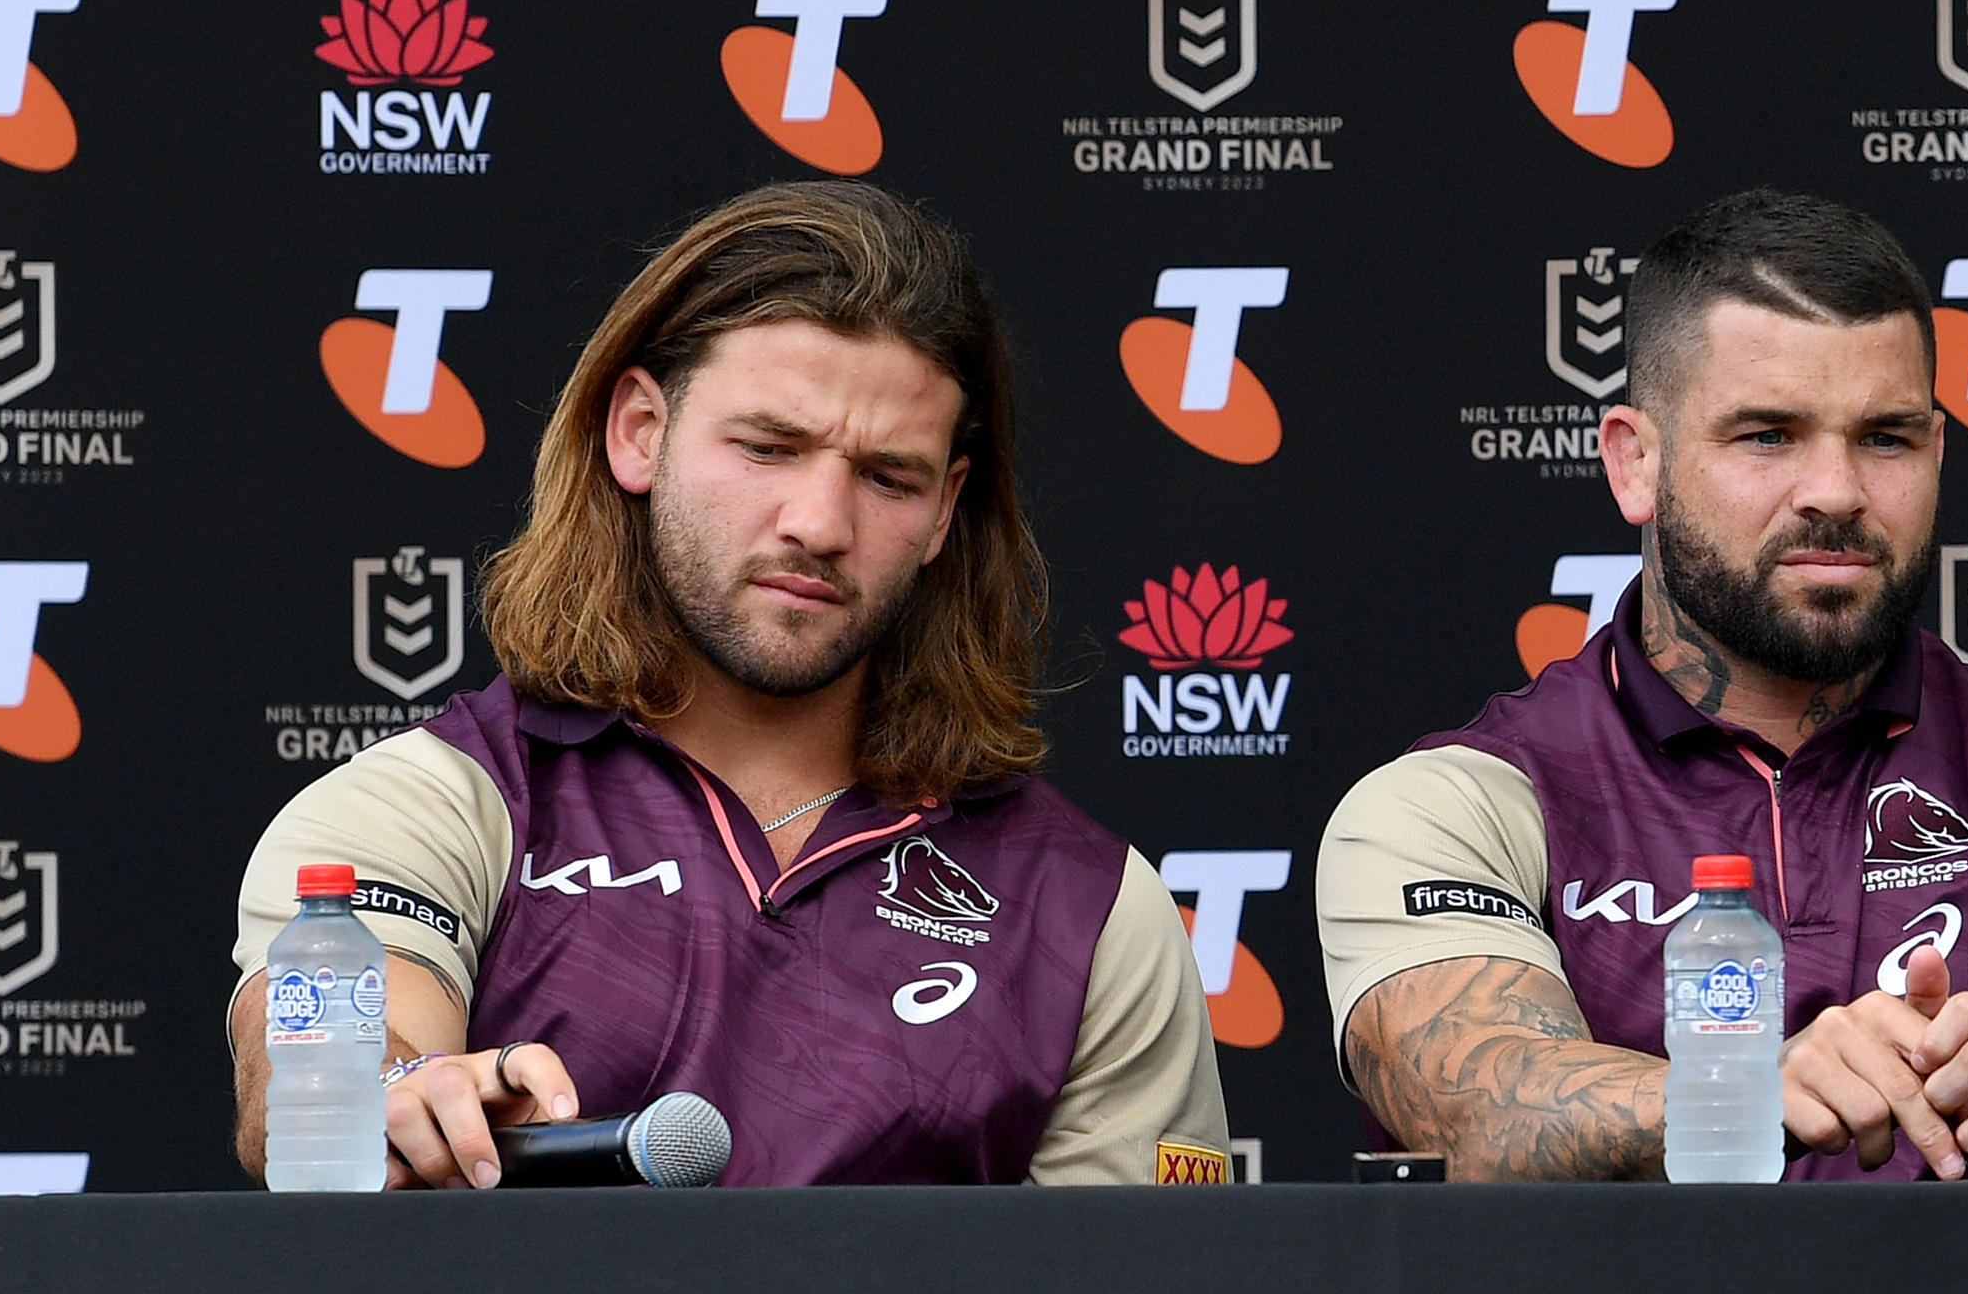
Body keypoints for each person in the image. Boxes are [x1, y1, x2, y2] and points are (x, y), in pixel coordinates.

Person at [225, 181, 1224, 1187]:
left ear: (943, 510)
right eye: (767, 448)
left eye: (888, 476)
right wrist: (399, 1091)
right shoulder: (436, 805)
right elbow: (319, 1087)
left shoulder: (1090, 908)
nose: (819, 523)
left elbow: (1134, 1284)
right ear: (638, 431)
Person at [1315, 188, 1968, 1181]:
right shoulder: (1451, 805)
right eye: (1767, 435)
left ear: (1937, 453)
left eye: (1885, 438)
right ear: (1634, 463)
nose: (1835, 491)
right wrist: (1746, 1091)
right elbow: (1469, 1106)